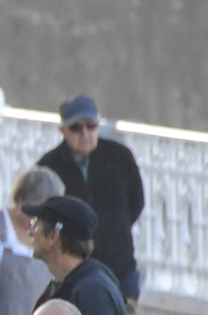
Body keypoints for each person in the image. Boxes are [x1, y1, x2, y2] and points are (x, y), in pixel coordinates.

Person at [36, 95, 142, 300]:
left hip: (121, 265)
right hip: (74, 270)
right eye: (76, 127)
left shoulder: (120, 156)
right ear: (62, 130)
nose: (84, 133)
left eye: (91, 125)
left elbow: (136, 202)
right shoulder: (49, 165)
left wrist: (116, 228)